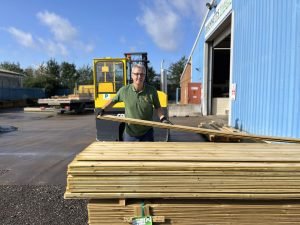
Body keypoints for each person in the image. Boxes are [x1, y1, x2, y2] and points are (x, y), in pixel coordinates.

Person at [100, 64, 171, 141]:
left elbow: (158, 107)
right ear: (132, 75)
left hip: (147, 133)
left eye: (142, 74)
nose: (139, 77)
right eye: (136, 74)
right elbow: (113, 101)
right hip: (130, 134)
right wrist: (103, 109)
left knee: (148, 153)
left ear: (144, 76)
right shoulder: (124, 90)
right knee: (130, 153)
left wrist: (163, 118)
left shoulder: (152, 91)